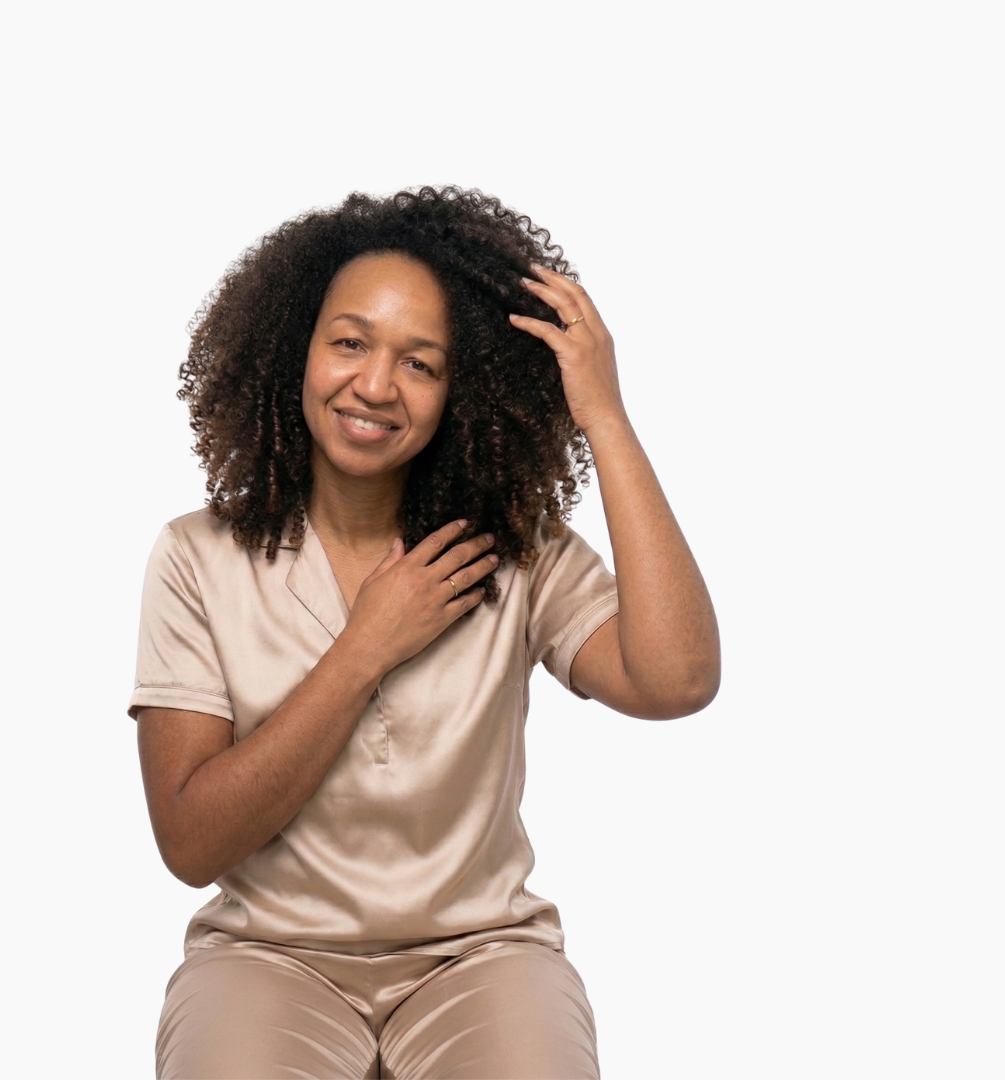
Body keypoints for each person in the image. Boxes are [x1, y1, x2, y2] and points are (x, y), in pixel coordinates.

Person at [126, 186, 720, 1079]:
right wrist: (367, 646)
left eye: (420, 363)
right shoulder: (196, 557)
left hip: (483, 956)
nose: (374, 386)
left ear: (461, 391)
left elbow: (677, 680)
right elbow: (191, 843)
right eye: (349, 343)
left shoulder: (515, 550)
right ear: (296, 349)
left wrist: (603, 415)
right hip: (265, 957)